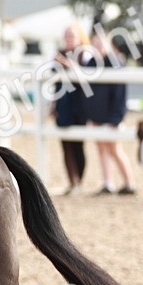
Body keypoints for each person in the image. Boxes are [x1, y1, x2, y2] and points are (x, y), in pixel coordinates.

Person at [87, 34, 135, 195]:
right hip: (97, 116)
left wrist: (116, 119)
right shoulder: (92, 63)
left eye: (101, 43)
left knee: (115, 149)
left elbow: (121, 96)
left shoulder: (116, 64)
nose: (98, 46)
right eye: (95, 44)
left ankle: (129, 183)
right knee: (101, 148)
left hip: (112, 117)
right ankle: (108, 183)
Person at [51, 23, 94, 195]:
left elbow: (87, 77)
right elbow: (54, 81)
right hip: (63, 103)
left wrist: (69, 65)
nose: (69, 39)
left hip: (79, 104)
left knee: (78, 144)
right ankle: (73, 181)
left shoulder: (85, 54)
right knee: (65, 144)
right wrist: (53, 104)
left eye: (72, 35)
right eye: (67, 35)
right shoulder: (59, 54)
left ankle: (79, 181)